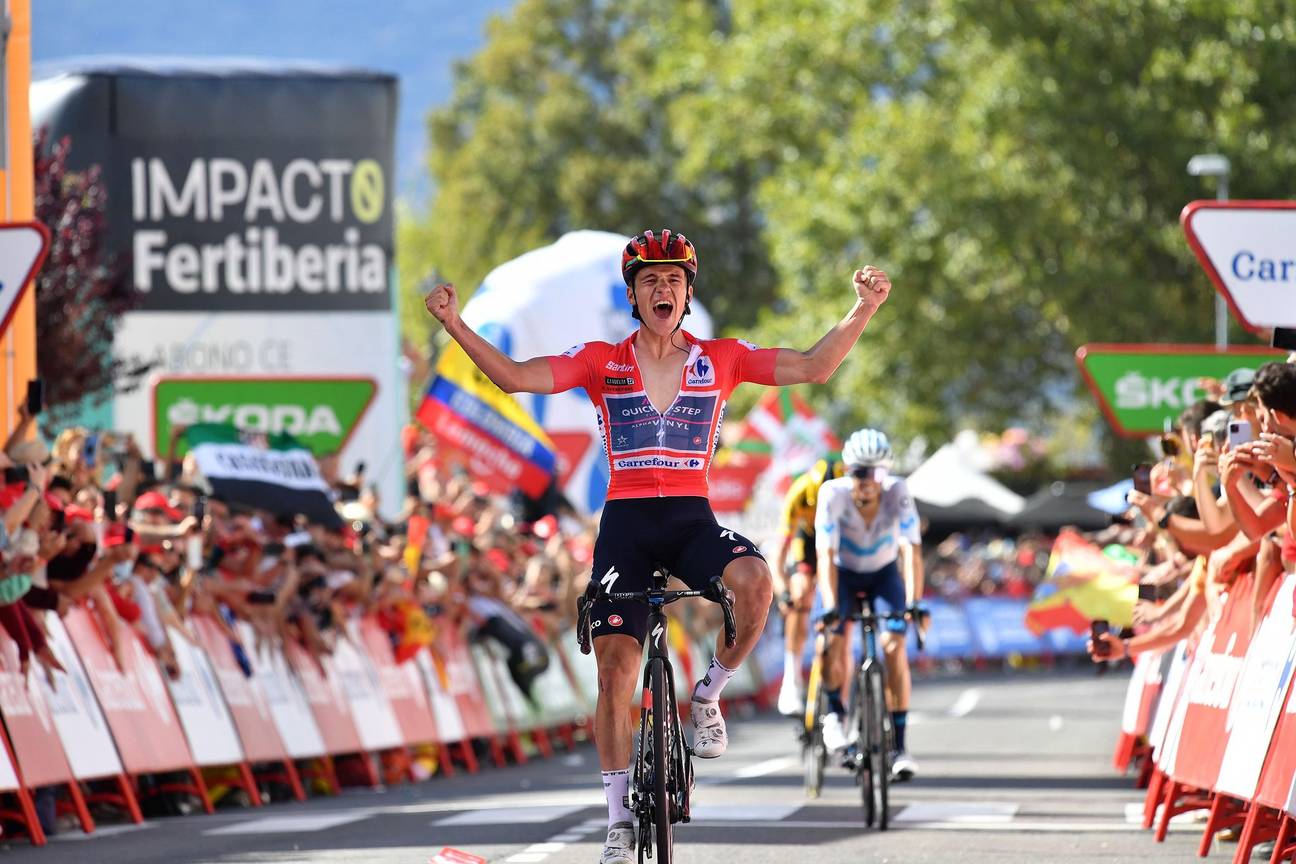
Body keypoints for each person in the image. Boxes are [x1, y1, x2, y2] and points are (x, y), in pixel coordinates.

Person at [425, 228, 892, 864]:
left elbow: (813, 366)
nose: (662, 288)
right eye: (650, 281)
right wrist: (454, 322)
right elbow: (511, 376)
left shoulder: (721, 358)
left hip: (691, 520)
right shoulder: (599, 360)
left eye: (673, 279)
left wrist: (862, 309)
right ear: (634, 298)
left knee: (755, 580)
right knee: (615, 671)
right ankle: (618, 823)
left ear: (687, 293)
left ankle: (707, 695)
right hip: (625, 525)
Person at [814, 428, 924, 782]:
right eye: (859, 472)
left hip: (883, 574)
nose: (867, 481)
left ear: (885, 474)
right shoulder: (832, 494)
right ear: (848, 471)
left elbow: (911, 550)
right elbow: (826, 554)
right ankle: (835, 712)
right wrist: (831, 605)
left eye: (875, 473)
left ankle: (900, 748)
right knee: (835, 638)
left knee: (894, 647)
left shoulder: (898, 492)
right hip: (844, 574)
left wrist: (914, 601)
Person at [772, 456, 844, 715]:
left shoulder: (847, 494)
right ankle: (790, 680)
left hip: (837, 542)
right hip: (808, 542)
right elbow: (778, 553)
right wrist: (783, 593)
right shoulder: (800, 492)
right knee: (799, 592)